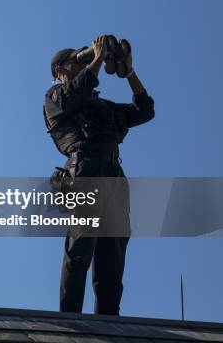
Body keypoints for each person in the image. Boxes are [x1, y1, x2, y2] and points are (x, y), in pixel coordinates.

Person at [43, 35, 155, 315]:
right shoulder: (55, 97)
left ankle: (107, 321)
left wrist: (128, 71)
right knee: (80, 247)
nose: (79, 66)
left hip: (113, 176)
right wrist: (94, 57)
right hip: (84, 172)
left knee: (112, 256)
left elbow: (145, 110)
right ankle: (71, 318)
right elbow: (77, 91)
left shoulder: (103, 107)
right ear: (60, 70)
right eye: (73, 62)